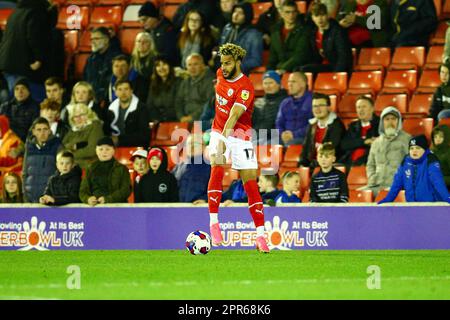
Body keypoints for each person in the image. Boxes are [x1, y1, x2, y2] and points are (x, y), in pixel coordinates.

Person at [206, 43, 270, 253]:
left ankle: (260, 236)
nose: (223, 67)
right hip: (217, 130)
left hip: (240, 135)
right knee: (217, 162)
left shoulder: (246, 87)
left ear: (238, 62)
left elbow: (234, 116)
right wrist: (220, 140)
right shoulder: (220, 74)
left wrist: (226, 139)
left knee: (251, 184)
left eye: (228, 63)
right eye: (222, 63)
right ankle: (214, 223)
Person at [0, 0, 58, 102]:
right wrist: (38, 59)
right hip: (25, 67)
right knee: (30, 104)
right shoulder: (36, 11)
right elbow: (35, 36)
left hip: (10, 64)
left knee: (16, 104)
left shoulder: (17, 11)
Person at [378, 135, 450, 204]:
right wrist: (388, 199)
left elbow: (438, 182)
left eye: (418, 148)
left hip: (431, 205)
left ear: (425, 150)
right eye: (411, 148)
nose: (414, 151)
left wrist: (447, 198)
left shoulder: (431, 160)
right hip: (411, 205)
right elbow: (397, 183)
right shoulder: (405, 161)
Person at [365, 106, 411, 195]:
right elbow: (370, 164)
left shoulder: (407, 139)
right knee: (356, 196)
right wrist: (372, 177)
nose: (390, 122)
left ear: (399, 121)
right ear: (382, 122)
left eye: (393, 119)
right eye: (387, 119)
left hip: (398, 186)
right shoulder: (376, 142)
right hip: (377, 184)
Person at [301, 2, 352, 74]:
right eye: (316, 16)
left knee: (305, 69)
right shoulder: (313, 32)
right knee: (299, 69)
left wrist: (336, 74)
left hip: (336, 66)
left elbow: (343, 57)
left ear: (327, 15)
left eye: (322, 15)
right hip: (323, 65)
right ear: (312, 18)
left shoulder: (337, 31)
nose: (320, 19)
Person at [79, 136, 131, 206]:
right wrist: (88, 199)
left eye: (107, 149)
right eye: (101, 149)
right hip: (95, 208)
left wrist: (108, 199)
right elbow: (83, 191)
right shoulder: (91, 168)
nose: (104, 152)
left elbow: (126, 190)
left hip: (116, 208)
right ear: (96, 151)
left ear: (113, 151)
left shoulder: (121, 169)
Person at [299, 92, 346, 170]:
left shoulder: (336, 125)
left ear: (328, 107)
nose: (317, 109)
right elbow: (305, 148)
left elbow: (333, 150)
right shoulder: (312, 125)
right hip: (312, 165)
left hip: (329, 167)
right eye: (314, 106)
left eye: (321, 105)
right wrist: (302, 164)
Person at [22, 117, 61, 203]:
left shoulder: (57, 145)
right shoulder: (29, 146)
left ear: (49, 130)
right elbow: (25, 172)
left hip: (48, 198)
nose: (42, 133)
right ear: (34, 131)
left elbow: (60, 172)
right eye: (39, 130)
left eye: (45, 129)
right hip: (30, 198)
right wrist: (24, 193)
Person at [218, 2, 263, 74]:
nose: (235, 15)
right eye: (235, 11)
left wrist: (236, 66)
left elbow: (256, 60)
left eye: (240, 13)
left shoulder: (254, 34)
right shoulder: (227, 28)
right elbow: (220, 49)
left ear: (247, 15)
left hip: (242, 73)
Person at [267, 0, 310, 73]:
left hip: (297, 69)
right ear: (281, 14)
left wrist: (283, 69)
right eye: (287, 12)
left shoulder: (304, 30)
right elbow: (272, 58)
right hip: (280, 69)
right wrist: (268, 72)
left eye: (294, 12)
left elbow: (300, 56)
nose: (291, 15)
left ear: (297, 13)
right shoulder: (275, 31)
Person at [105, 79, 150, 148]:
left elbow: (144, 136)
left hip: (136, 146)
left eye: (126, 89)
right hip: (114, 147)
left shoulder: (141, 108)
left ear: (131, 91)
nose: (123, 93)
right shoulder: (110, 109)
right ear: (115, 92)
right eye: (120, 89)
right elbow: (107, 131)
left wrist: (119, 140)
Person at [83, 27, 122, 104]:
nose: (93, 42)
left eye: (96, 39)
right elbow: (86, 78)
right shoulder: (91, 58)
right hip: (92, 98)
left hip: (109, 100)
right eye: (92, 39)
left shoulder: (116, 58)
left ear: (106, 40)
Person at [62, 103, 104, 170]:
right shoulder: (73, 130)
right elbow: (62, 147)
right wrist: (74, 146)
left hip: (88, 166)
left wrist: (71, 154)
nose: (78, 119)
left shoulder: (95, 126)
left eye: (82, 115)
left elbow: (92, 150)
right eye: (75, 116)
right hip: (72, 166)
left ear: (89, 115)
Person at [275, 71, 313, 146]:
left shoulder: (312, 101)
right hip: (284, 137)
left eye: (293, 82)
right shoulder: (285, 102)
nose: (290, 84)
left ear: (303, 84)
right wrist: (282, 133)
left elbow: (313, 124)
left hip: (303, 138)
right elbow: (279, 122)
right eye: (289, 82)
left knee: (290, 145)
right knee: (267, 145)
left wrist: (294, 134)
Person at [340, 96, 380, 166]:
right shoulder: (353, 126)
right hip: (348, 162)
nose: (361, 110)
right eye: (358, 107)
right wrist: (364, 141)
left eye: (364, 107)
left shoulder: (380, 124)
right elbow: (345, 144)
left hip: (368, 164)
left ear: (372, 109)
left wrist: (356, 142)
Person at [175, 53, 215, 123]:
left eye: (195, 64)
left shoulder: (210, 81)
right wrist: (181, 117)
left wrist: (192, 117)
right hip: (184, 120)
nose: (192, 68)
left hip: (202, 120)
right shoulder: (185, 82)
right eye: (189, 65)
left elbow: (208, 104)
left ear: (202, 65)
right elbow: (178, 101)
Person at [172, 134, 210, 204]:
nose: (192, 146)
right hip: (179, 209)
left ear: (203, 147)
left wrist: (205, 199)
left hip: (199, 210)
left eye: (195, 144)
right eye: (189, 144)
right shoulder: (178, 167)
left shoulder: (210, 168)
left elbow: (216, 190)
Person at [253, 70, 288, 144]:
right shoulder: (259, 102)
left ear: (279, 84)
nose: (268, 86)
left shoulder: (285, 101)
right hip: (258, 135)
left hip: (274, 136)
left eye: (271, 83)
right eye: (265, 83)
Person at [0, 77, 39, 143]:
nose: (20, 92)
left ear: (29, 91)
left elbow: (34, 130)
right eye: (17, 89)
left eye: (23, 88)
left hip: (23, 143)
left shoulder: (35, 107)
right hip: (5, 140)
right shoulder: (5, 106)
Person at [146, 56, 181, 124]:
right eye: (158, 65)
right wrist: (156, 119)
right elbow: (150, 105)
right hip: (158, 122)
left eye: (164, 64)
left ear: (170, 66)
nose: (161, 68)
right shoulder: (153, 84)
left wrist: (163, 119)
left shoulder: (178, 82)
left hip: (175, 120)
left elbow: (178, 105)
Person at [130, 32, 158, 103]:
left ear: (150, 44)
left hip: (149, 95)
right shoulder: (131, 59)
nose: (141, 44)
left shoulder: (156, 59)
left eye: (145, 41)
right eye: (139, 41)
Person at [431, 125, 450, 189]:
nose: (437, 139)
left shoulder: (448, 153)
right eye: (435, 137)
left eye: (441, 137)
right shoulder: (430, 152)